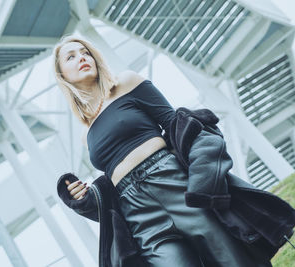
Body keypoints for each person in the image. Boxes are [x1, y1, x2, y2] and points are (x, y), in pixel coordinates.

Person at [53, 35, 281, 266]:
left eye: (85, 52)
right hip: (137, 211)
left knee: (233, 259)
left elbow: (175, 124)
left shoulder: (127, 83)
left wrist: (202, 177)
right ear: (63, 76)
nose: (82, 57)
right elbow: (112, 181)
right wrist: (85, 197)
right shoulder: (86, 135)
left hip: (173, 183)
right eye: (71, 57)